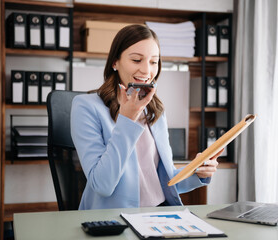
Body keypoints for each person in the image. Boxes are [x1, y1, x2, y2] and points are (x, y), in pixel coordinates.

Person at [71, 24, 221, 210]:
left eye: (153, 62)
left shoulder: (154, 109)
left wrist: (197, 172)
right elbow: (102, 185)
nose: (146, 71)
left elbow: (161, 181)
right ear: (114, 62)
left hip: (156, 215)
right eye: (136, 60)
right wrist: (126, 120)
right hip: (112, 221)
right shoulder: (86, 106)